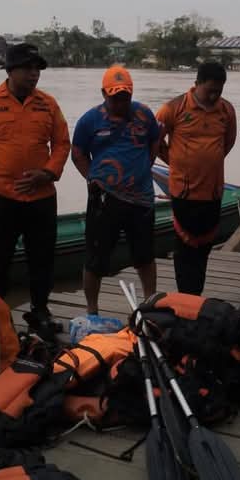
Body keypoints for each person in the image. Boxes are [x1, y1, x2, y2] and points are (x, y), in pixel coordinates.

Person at [0, 43, 70, 338]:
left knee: (42, 258)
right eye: (28, 69)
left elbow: (62, 143)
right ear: (10, 70)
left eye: (37, 69)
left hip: (41, 197)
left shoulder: (48, 104)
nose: (34, 74)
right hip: (1, 196)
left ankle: (40, 311)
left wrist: (48, 173)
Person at [72, 66, 160, 318]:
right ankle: (92, 311)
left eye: (125, 97)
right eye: (115, 97)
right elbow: (77, 153)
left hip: (141, 198)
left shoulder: (144, 114)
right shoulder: (89, 120)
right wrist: (92, 178)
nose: (121, 103)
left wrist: (145, 166)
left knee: (144, 256)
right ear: (104, 93)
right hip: (104, 199)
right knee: (95, 258)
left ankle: (150, 304)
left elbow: (155, 140)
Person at [156, 62, 237, 295]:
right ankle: (185, 295)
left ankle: (196, 295)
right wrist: (176, 162)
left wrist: (209, 161)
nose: (214, 96)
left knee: (204, 247)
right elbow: (154, 140)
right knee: (184, 247)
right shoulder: (173, 108)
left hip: (212, 192)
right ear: (197, 84)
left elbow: (228, 142)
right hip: (184, 192)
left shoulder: (226, 110)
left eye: (218, 91)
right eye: (209, 90)